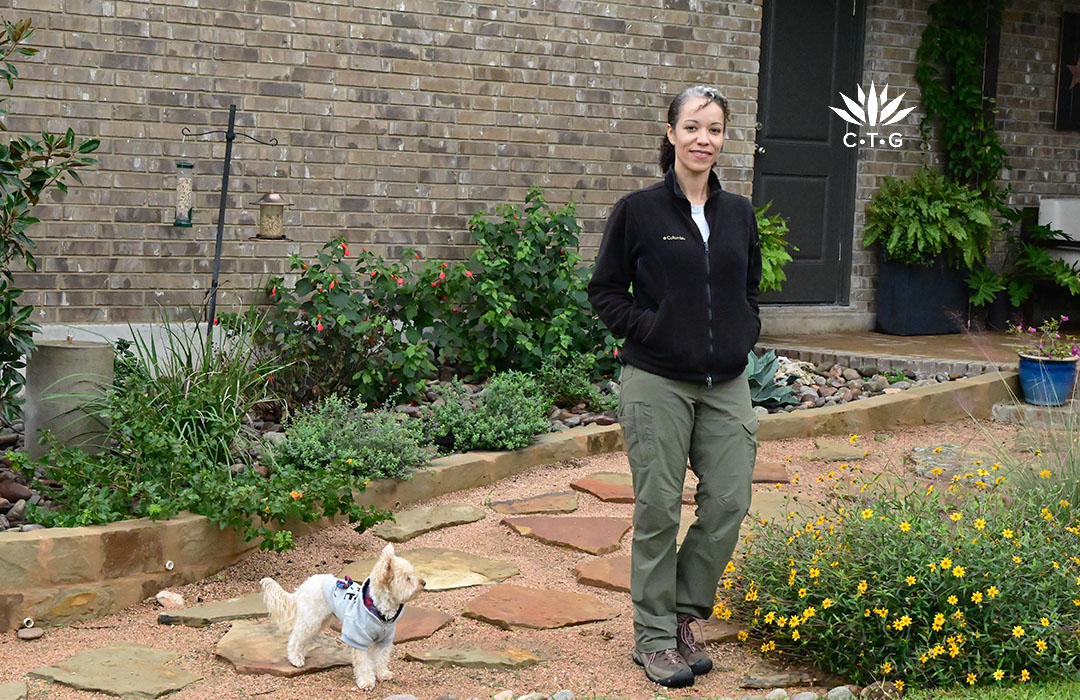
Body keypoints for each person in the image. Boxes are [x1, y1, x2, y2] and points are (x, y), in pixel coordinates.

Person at [587, 85, 762, 688]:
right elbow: (605, 291)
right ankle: (655, 639)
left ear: (723, 139)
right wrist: (653, 331)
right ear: (670, 133)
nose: (702, 140)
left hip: (726, 381)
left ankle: (685, 614)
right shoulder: (639, 210)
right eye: (692, 127)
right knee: (659, 508)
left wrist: (743, 330)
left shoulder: (739, 212)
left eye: (714, 129)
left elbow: (749, 288)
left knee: (729, 501)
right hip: (656, 380)